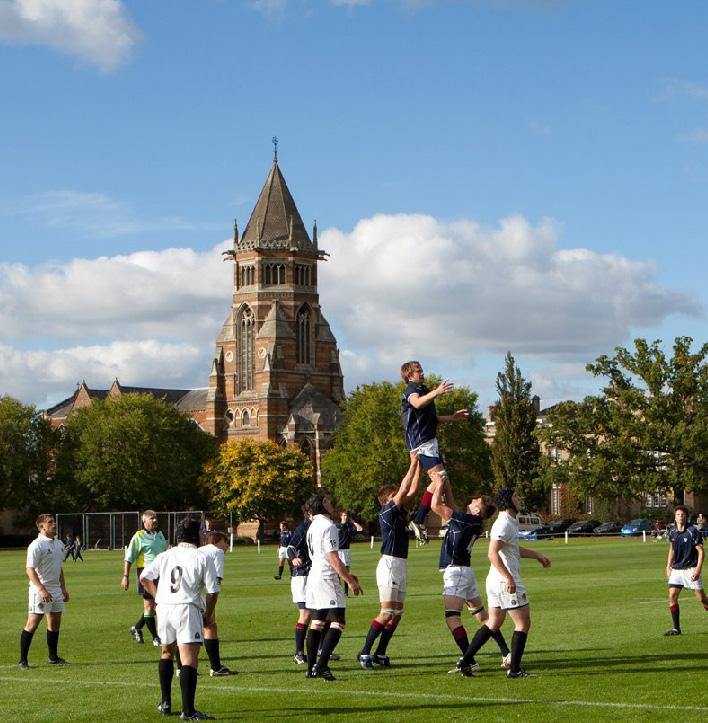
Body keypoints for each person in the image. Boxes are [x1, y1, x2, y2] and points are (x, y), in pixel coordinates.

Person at [457, 488, 551, 679]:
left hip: (495, 581)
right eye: (516, 496)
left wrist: (537, 555)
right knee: (523, 623)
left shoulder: (509, 521)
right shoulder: (503, 523)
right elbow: (492, 554)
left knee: (493, 622)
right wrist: (508, 577)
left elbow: (513, 549)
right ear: (508, 501)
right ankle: (514, 670)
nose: (519, 498)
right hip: (504, 581)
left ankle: (465, 661)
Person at [430, 476, 510, 673]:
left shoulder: (464, 520)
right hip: (466, 572)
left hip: (456, 572)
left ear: (476, 510)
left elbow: (435, 506)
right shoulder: (471, 521)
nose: (473, 500)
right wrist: (447, 486)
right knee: (482, 616)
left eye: (476, 501)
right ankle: (506, 652)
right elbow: (453, 507)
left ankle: (469, 660)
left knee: (452, 618)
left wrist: (438, 485)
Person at [141, 517, 218, 720]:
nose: (203, 535)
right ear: (195, 535)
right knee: (188, 659)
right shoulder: (202, 556)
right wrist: (208, 615)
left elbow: (144, 577)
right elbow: (213, 591)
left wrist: (158, 597)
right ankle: (188, 711)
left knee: (166, 652)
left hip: (165, 608)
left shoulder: (166, 555)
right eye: (201, 532)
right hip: (187, 608)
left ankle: (165, 703)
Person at [358, 455, 422, 670]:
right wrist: (413, 462)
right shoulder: (387, 512)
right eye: (394, 496)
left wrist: (421, 465)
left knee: (397, 615)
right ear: (386, 500)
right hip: (389, 565)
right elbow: (405, 489)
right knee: (386, 613)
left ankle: (380, 652)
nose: (399, 497)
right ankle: (365, 652)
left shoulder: (400, 512)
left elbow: (413, 489)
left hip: (401, 565)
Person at [400, 360, 469, 543]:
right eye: (418, 371)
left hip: (430, 442)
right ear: (409, 376)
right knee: (440, 479)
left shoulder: (423, 390)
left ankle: (455, 519)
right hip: (422, 444)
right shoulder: (411, 390)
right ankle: (421, 519)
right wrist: (437, 392)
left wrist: (452, 418)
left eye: (422, 370)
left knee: (445, 483)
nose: (422, 373)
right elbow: (416, 404)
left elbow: (431, 418)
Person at [304, 494, 362, 681]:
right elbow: (332, 557)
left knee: (317, 622)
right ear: (322, 504)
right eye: (328, 501)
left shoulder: (313, 525)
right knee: (338, 621)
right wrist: (349, 581)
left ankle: (310, 668)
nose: (332, 504)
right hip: (326, 577)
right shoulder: (328, 526)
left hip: (314, 576)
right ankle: (322, 665)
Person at [18, 514, 70, 669]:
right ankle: (23, 661)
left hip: (56, 589)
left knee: (55, 623)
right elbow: (29, 569)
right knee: (32, 623)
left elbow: (59, 568)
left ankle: (53, 658)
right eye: (50, 522)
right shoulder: (36, 545)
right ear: (41, 527)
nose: (54, 524)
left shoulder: (59, 543)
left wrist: (63, 588)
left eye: (54, 521)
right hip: (40, 590)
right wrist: (41, 589)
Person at [121, 510, 167, 645]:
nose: (155, 520)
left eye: (156, 518)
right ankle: (155, 638)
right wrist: (125, 576)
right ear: (144, 521)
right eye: (152, 518)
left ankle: (136, 628)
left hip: (161, 574)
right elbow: (129, 557)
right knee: (150, 605)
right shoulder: (139, 536)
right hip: (146, 574)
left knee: (157, 605)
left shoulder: (160, 534)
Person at [663, 505, 707, 636]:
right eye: (678, 515)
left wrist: (698, 569)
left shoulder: (692, 531)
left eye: (682, 515)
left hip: (691, 569)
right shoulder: (672, 532)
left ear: (686, 517)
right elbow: (672, 549)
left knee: (702, 599)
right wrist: (668, 566)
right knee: (672, 596)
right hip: (677, 570)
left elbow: (701, 551)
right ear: (675, 517)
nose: (680, 517)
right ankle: (676, 629)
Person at [199, 530, 236, 675]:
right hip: (195, 595)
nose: (226, 545)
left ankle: (180, 668)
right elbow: (215, 584)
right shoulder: (217, 552)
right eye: (225, 542)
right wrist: (210, 611)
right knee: (210, 625)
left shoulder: (200, 550)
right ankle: (215, 667)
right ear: (216, 541)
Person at [286, 513, 312, 665]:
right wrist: (293, 558)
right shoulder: (303, 528)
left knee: (324, 614)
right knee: (305, 615)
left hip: (316, 576)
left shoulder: (320, 526)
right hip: (302, 576)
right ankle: (299, 653)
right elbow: (290, 548)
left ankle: (321, 649)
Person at [336, 511, 364, 595]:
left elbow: (360, 529)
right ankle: (338, 591)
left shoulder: (350, 526)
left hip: (346, 551)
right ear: (341, 516)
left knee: (346, 572)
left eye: (347, 515)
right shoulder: (336, 526)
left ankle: (346, 592)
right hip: (338, 551)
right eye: (344, 515)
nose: (345, 517)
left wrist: (353, 522)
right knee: (337, 571)